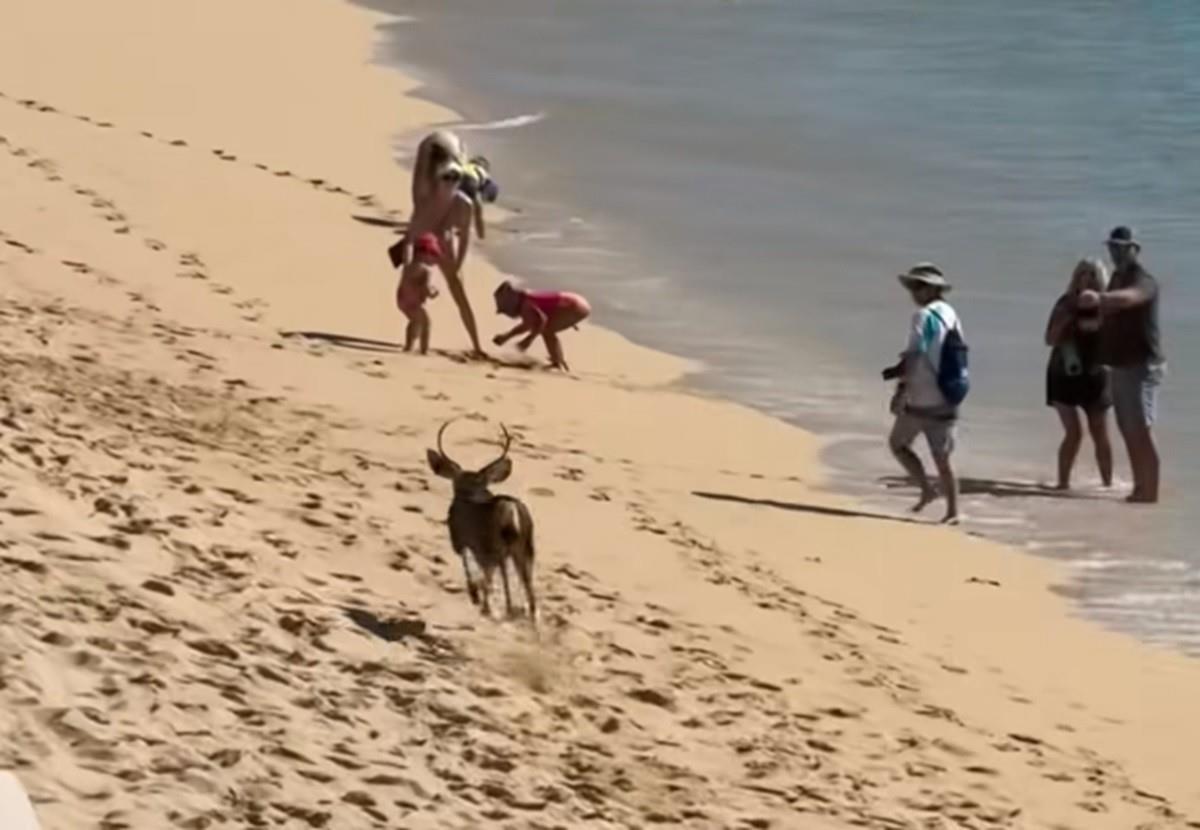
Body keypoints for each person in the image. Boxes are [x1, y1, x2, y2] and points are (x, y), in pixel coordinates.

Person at [1082, 226, 1165, 503]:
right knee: (1127, 427)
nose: (1116, 252)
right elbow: (1108, 319)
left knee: (1141, 428)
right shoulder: (1116, 277)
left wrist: (1101, 298)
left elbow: (1131, 298)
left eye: (1121, 247)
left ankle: (1150, 491)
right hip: (1119, 364)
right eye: (1112, 248)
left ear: (1134, 249)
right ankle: (1139, 487)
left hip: (1143, 365)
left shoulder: (1145, 280)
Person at [886, 263, 962, 524]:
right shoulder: (950, 313)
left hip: (922, 395)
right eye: (913, 286)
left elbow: (915, 356)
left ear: (931, 289)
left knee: (898, 444)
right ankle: (953, 511)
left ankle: (928, 490)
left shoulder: (922, 317)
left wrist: (901, 391)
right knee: (943, 458)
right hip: (949, 392)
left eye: (918, 286)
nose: (914, 292)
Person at [401, 134, 486, 358]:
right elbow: (410, 241)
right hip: (433, 155)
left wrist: (457, 264)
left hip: (449, 153)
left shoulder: (460, 204)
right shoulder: (424, 201)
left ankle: (477, 345)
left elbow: (466, 236)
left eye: (454, 179)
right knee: (410, 292)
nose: (451, 182)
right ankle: (412, 340)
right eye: (446, 179)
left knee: (459, 289)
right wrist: (409, 264)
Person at [1043, 258, 1114, 490]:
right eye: (1083, 273)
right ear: (1076, 277)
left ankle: (1107, 485)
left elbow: (1119, 342)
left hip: (1095, 374)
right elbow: (1049, 339)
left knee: (1100, 432)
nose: (1088, 279)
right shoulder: (1065, 303)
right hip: (1063, 373)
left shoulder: (1108, 305)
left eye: (1093, 274)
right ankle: (1062, 483)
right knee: (1074, 433)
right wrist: (1068, 319)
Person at [492, 280, 591, 371]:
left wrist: (528, 340)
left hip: (575, 305)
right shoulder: (526, 301)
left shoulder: (526, 305)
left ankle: (557, 362)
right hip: (574, 301)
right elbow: (528, 324)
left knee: (547, 330)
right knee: (546, 330)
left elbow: (542, 321)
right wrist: (506, 336)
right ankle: (557, 359)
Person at [396, 232, 442, 354]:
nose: (434, 260)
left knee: (414, 321)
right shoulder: (426, 271)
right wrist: (433, 293)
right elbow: (426, 289)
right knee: (426, 323)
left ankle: (409, 346)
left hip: (402, 300)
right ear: (426, 254)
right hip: (414, 302)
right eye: (433, 255)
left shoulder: (408, 266)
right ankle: (424, 349)